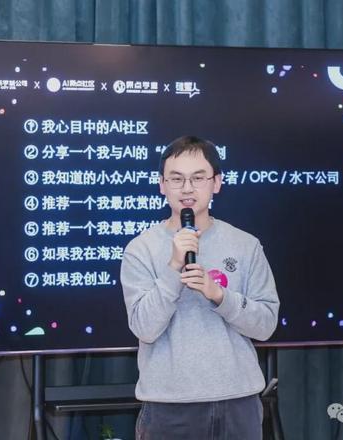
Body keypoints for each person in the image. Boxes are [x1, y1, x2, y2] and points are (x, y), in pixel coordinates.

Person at [120, 135, 280, 439]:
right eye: (176, 179)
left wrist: (219, 296)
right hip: (169, 407)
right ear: (162, 185)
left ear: (216, 183)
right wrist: (173, 268)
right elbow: (144, 328)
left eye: (198, 178)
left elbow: (266, 326)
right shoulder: (140, 249)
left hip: (238, 402)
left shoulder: (245, 245)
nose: (187, 188)